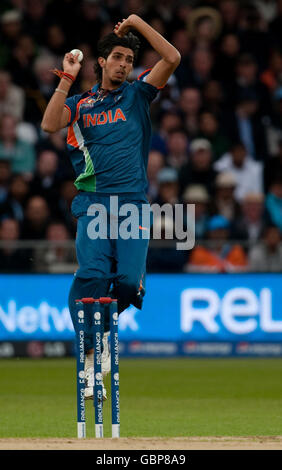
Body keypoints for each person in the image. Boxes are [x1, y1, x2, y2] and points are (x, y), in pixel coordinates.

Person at [41, 14, 180, 400]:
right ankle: (89, 351)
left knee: (128, 285)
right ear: (101, 61)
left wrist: (137, 22)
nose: (123, 64)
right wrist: (66, 77)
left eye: (129, 59)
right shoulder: (81, 104)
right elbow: (50, 124)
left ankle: (97, 336)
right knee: (92, 275)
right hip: (94, 204)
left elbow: (172, 58)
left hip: (133, 204)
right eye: (117, 57)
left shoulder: (138, 93)